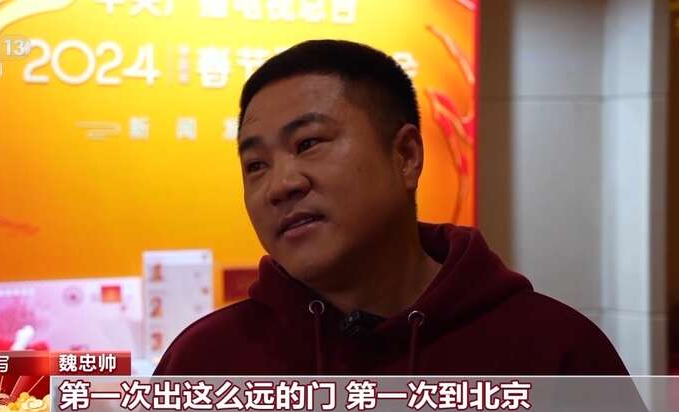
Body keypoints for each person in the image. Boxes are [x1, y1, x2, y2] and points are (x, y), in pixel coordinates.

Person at [154, 39, 629, 375]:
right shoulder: (204, 362)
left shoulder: (554, 352)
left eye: (309, 143)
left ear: (406, 156)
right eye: (256, 165)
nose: (281, 185)